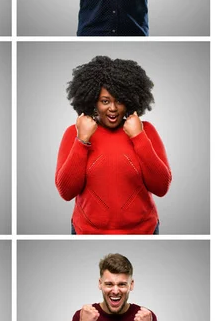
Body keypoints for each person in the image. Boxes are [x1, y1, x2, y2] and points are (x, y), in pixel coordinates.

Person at [55, 55, 171, 234]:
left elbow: (161, 187)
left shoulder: (146, 131)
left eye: (119, 100)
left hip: (143, 231)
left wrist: (138, 137)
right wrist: (82, 140)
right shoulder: (74, 132)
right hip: (87, 232)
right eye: (105, 101)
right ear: (93, 101)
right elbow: (66, 192)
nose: (113, 108)